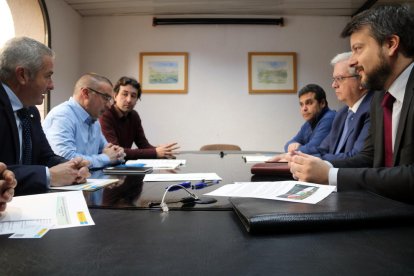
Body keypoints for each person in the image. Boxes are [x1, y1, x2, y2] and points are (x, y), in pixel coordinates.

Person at [288, 4, 414, 203]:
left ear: (390, 44)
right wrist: (324, 168)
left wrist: (330, 176)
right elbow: (367, 157)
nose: (353, 61)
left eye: (358, 49)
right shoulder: (381, 98)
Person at [0, 36, 90, 195]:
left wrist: (72, 166)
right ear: (22, 75)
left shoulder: (30, 111)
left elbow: (45, 156)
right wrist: (48, 176)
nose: (52, 85)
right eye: (47, 76)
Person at [43, 73, 126, 168]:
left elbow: (109, 151)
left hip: (89, 180)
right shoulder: (61, 116)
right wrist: (106, 158)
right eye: (106, 98)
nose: (109, 105)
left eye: (110, 99)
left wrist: (117, 153)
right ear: (85, 93)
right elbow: (65, 159)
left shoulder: (94, 120)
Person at [99, 76, 179, 160]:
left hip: (123, 165)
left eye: (133, 96)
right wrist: (155, 152)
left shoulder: (134, 115)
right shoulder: (105, 115)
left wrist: (163, 151)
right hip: (107, 167)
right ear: (115, 96)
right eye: (125, 94)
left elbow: (143, 145)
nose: (129, 100)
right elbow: (116, 151)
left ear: (137, 100)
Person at [283, 84, 336, 154]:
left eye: (309, 103)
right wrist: (294, 146)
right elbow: (287, 145)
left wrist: (297, 148)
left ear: (322, 103)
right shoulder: (309, 123)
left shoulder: (330, 118)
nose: (304, 109)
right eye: (301, 104)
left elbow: (313, 148)